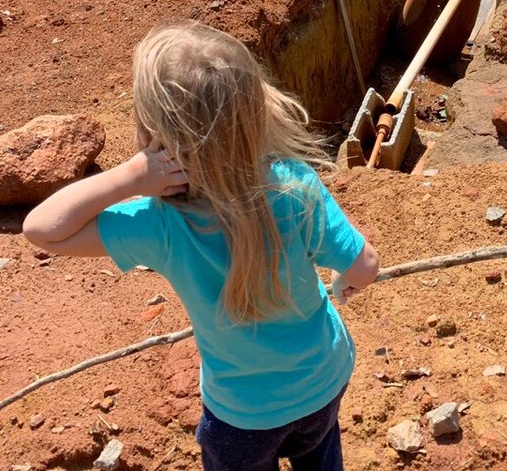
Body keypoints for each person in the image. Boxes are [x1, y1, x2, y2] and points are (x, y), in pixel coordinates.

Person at [23, 23, 380, 471]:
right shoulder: (296, 186)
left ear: (156, 138)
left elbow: (42, 229)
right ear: (255, 110)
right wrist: (343, 279)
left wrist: (130, 177)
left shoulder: (162, 225)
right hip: (323, 382)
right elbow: (365, 264)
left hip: (242, 417)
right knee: (319, 454)